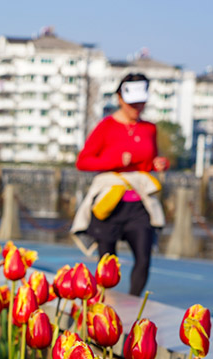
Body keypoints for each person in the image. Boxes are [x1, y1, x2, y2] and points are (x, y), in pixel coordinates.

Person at [72, 73, 168, 297]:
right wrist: (114, 162)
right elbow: (83, 161)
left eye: (141, 102)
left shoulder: (149, 129)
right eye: (133, 102)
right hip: (110, 203)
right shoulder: (106, 126)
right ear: (119, 98)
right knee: (107, 262)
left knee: (144, 257)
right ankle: (102, 307)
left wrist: (159, 163)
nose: (137, 107)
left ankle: (133, 304)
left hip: (139, 204)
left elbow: (149, 161)